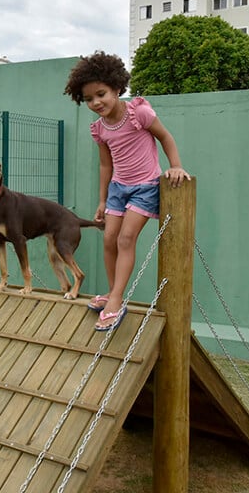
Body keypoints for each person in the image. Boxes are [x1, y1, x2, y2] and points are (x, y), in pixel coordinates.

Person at [64, 51, 190, 332]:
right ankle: (112, 292)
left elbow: (165, 137)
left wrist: (176, 166)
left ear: (117, 88)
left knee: (125, 239)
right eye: (88, 99)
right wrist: (102, 199)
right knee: (108, 239)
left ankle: (117, 300)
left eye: (101, 94)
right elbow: (105, 165)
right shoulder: (99, 129)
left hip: (145, 187)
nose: (96, 102)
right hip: (118, 189)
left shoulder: (139, 113)